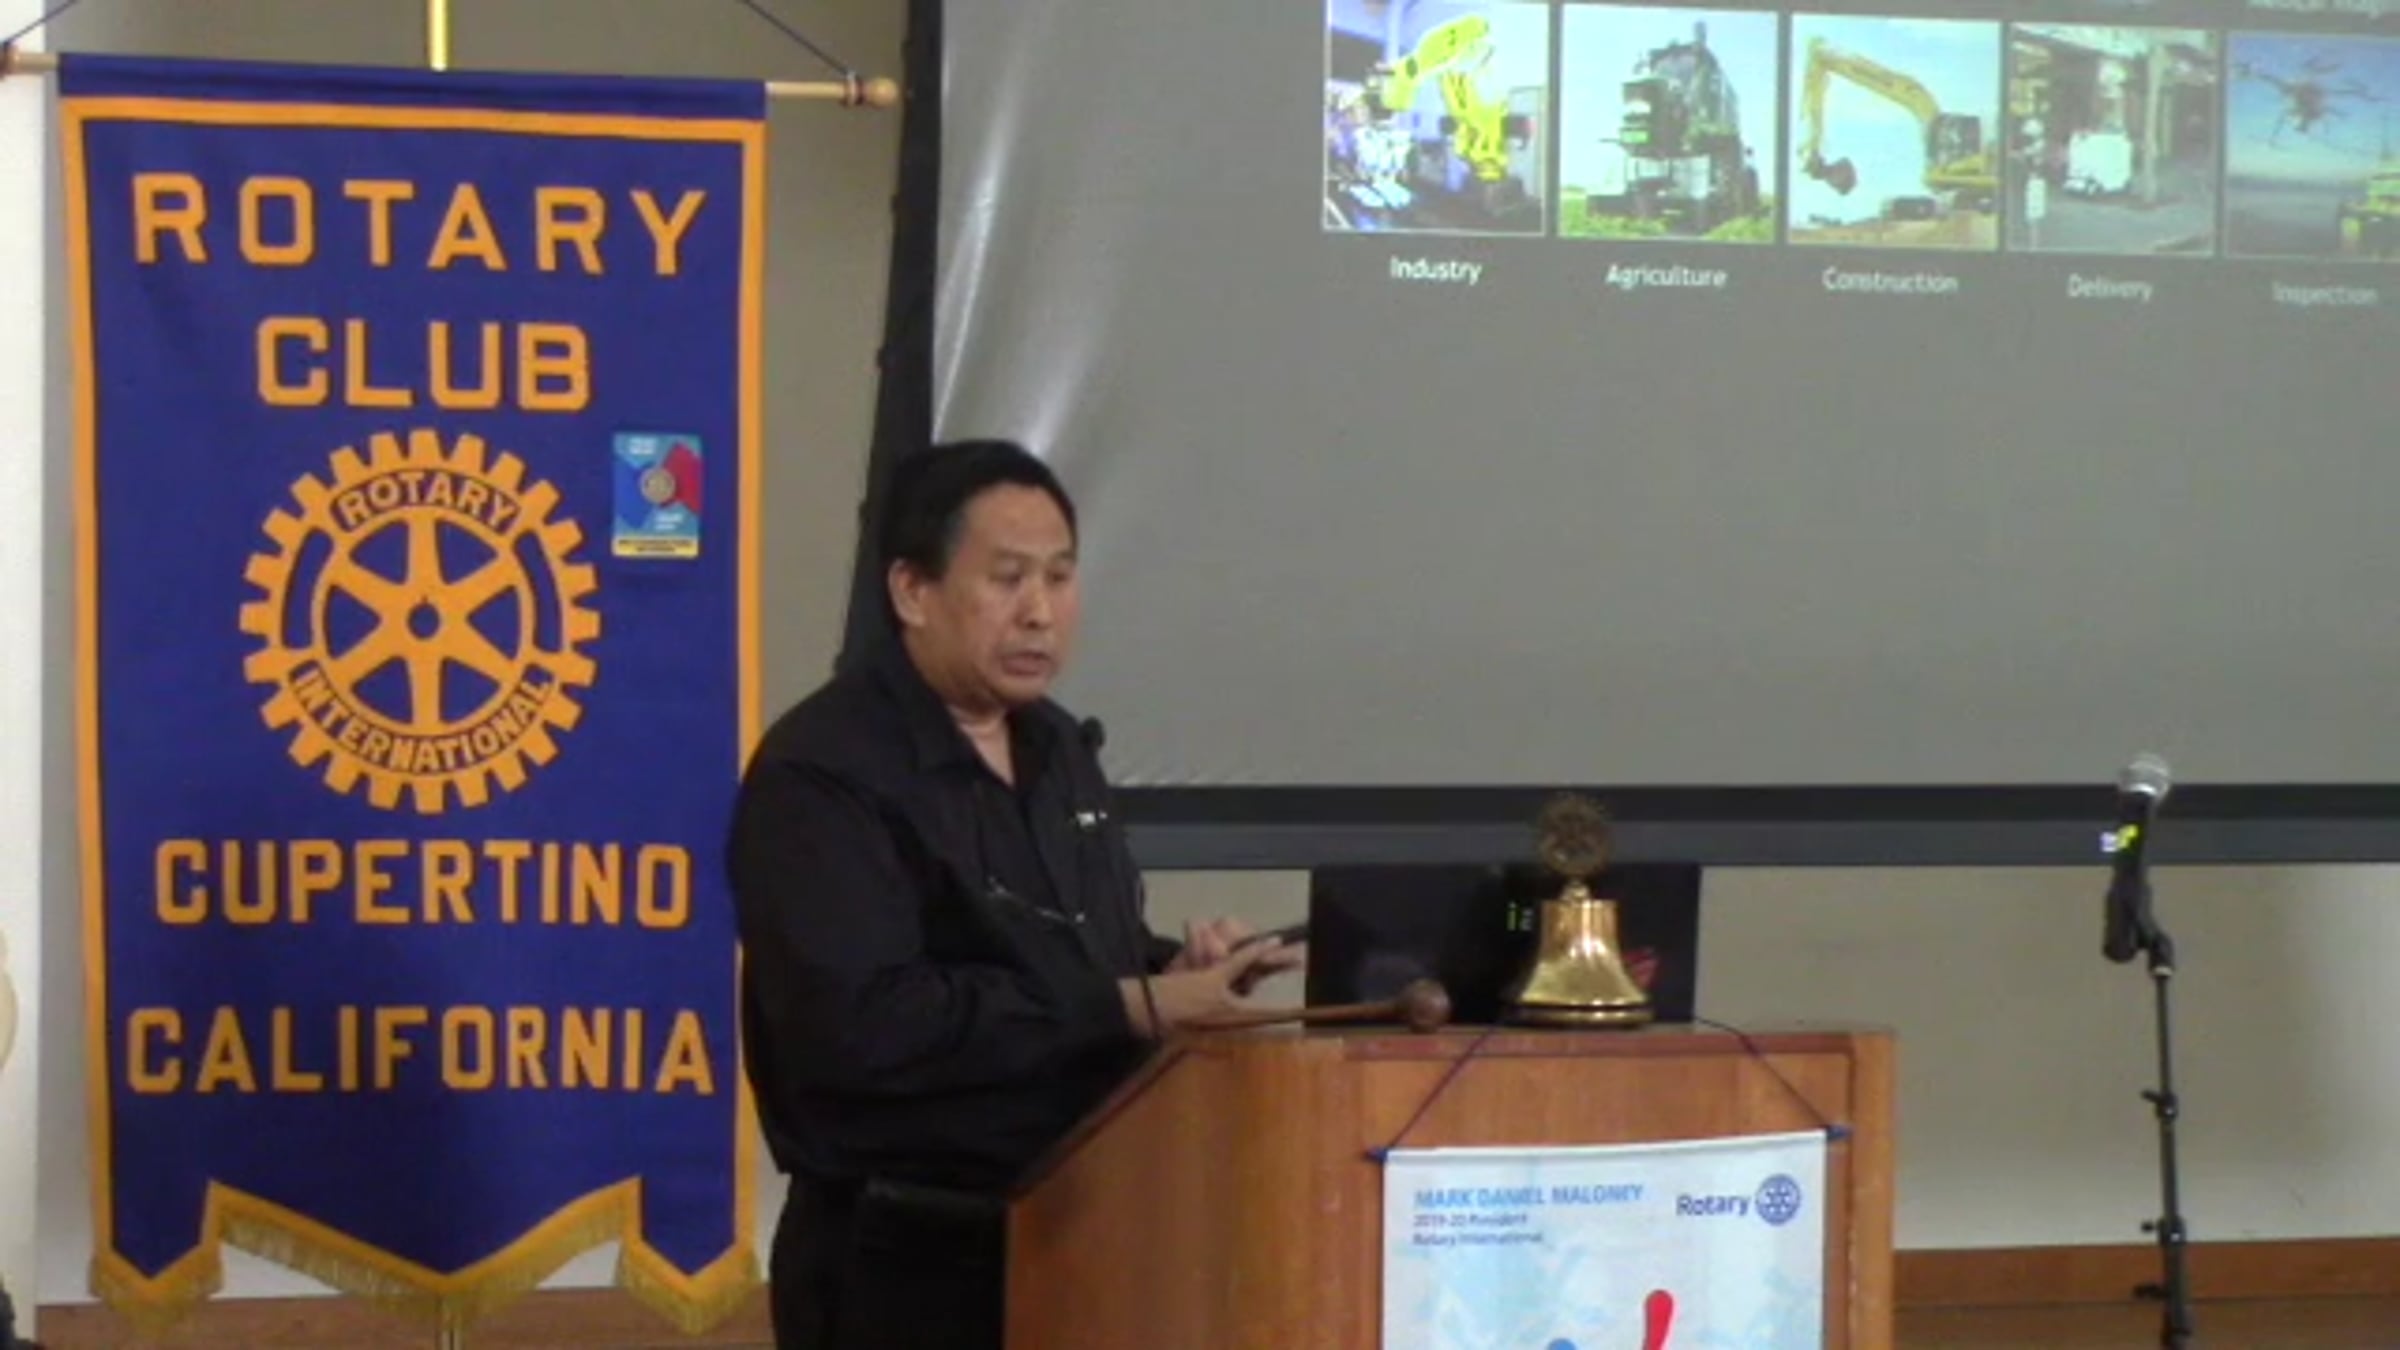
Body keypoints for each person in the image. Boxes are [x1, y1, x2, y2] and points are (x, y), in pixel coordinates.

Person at [727, 438, 1303, 1349]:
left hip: (1086, 1224)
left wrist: (1169, 972)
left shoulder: (1059, 747)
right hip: (903, 1258)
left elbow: (1065, 955)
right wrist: (1129, 1005)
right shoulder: (823, 774)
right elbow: (863, 1025)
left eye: (1060, 578)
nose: (1040, 612)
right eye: (1007, 579)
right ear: (913, 591)